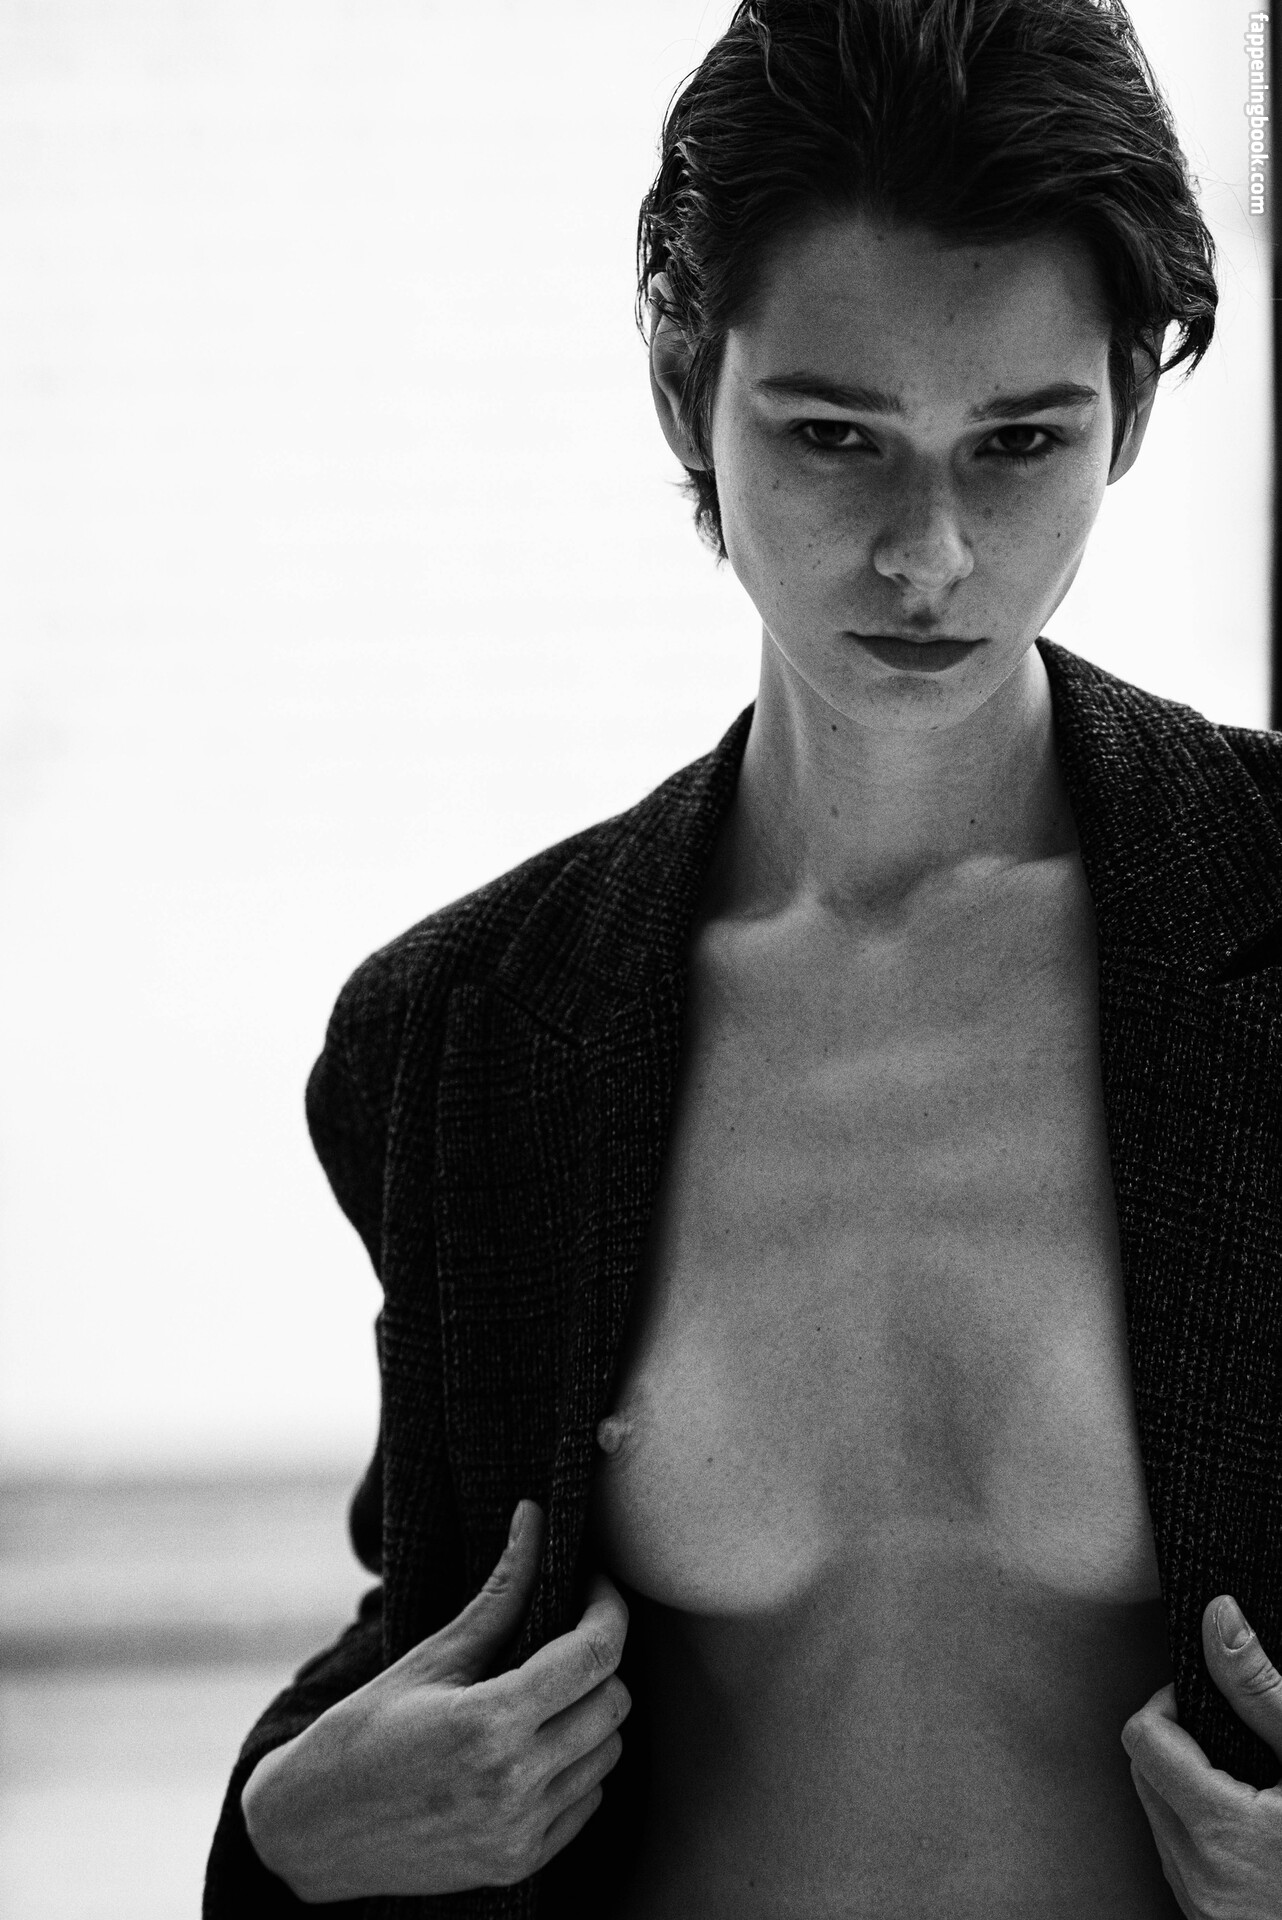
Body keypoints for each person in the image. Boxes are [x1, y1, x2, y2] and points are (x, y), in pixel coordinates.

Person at [205, 0, 1282, 1913]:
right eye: (833, 436)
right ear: (682, 395)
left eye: (1018, 441)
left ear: (1127, 407)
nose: (927, 552)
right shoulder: (465, 1034)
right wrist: (282, 1838)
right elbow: (425, 1647)